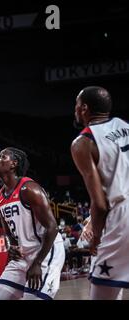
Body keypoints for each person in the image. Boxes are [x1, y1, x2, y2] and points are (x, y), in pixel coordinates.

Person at [70, 86, 129, 300]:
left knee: (102, 292)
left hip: (123, 217)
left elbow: (100, 203)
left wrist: (95, 236)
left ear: (84, 108)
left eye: (76, 105)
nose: (75, 110)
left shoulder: (84, 142)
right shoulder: (125, 125)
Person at [0, 148, 64, 300]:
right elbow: (10, 234)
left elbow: (52, 227)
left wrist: (37, 263)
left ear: (13, 164)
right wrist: (12, 247)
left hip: (46, 251)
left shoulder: (29, 189)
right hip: (23, 254)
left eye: (1, 156)